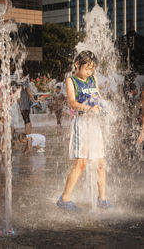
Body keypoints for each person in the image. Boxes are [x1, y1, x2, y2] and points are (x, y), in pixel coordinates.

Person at [56, 50, 111, 211]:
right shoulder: (71, 80)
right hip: (81, 124)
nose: (89, 72)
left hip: (94, 124)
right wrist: (88, 108)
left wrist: (106, 108)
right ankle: (64, 199)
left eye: (92, 69)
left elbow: (98, 97)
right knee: (81, 163)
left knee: (100, 163)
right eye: (87, 68)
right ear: (77, 65)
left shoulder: (93, 79)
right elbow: (72, 102)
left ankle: (102, 199)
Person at [18, 65, 36, 134]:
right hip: (23, 103)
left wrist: (33, 99)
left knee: (26, 120)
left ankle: (28, 135)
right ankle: (28, 134)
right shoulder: (22, 80)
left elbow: (29, 91)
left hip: (24, 103)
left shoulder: (24, 80)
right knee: (26, 119)